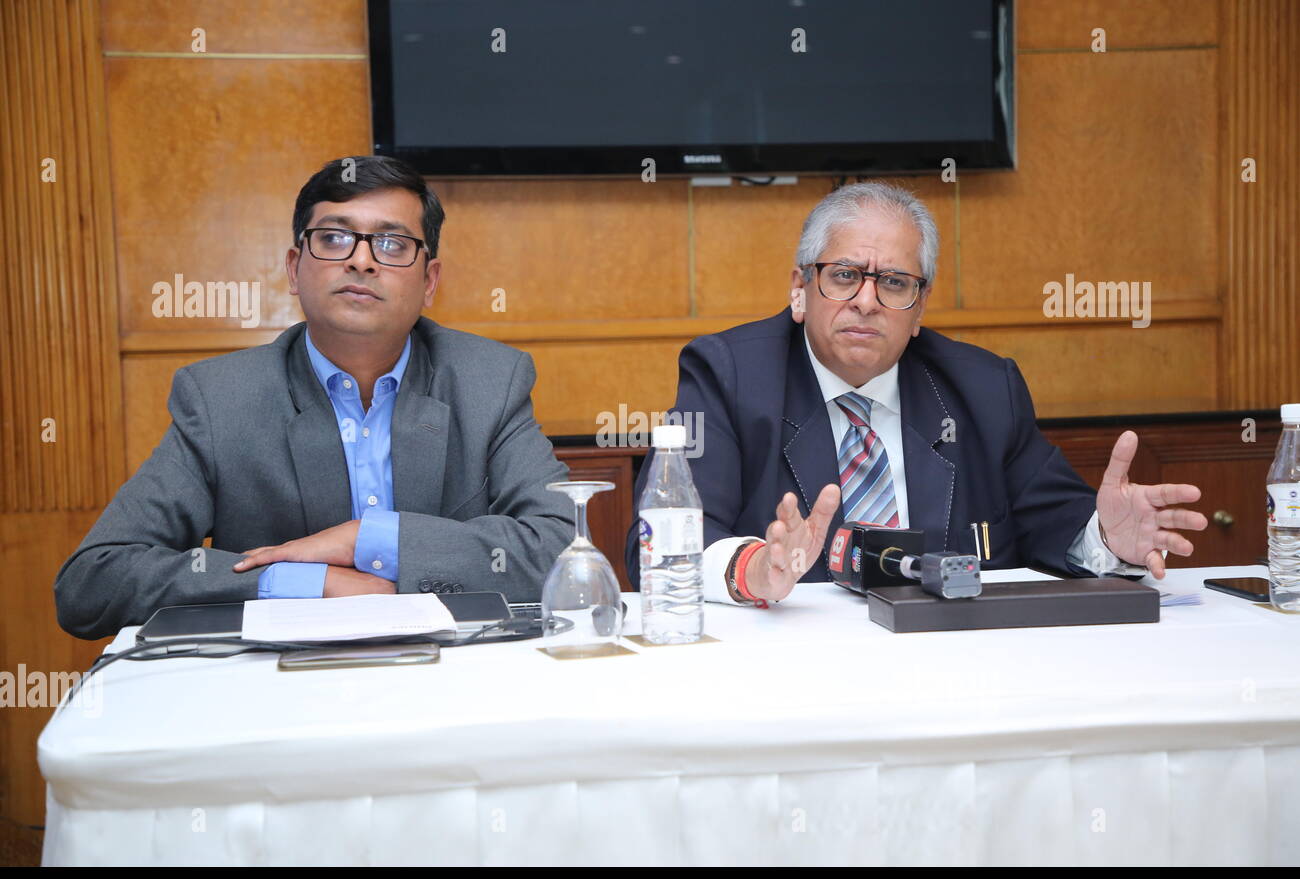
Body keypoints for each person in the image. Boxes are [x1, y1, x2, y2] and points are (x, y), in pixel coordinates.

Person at [55, 156, 573, 640]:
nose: (363, 262)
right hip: (281, 697)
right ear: (293, 268)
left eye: (392, 245)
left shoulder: (489, 380)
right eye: (334, 238)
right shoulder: (220, 399)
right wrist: (302, 583)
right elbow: (93, 582)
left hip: (452, 683)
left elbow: (566, 550)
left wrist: (369, 541)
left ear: (429, 281)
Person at [624, 181, 1208, 605]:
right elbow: (660, 545)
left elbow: (1058, 526)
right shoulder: (730, 375)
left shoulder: (983, 388)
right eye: (845, 275)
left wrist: (1108, 539)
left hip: (958, 673)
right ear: (800, 290)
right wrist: (753, 570)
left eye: (895, 283)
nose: (867, 301)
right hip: (795, 674)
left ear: (919, 308)